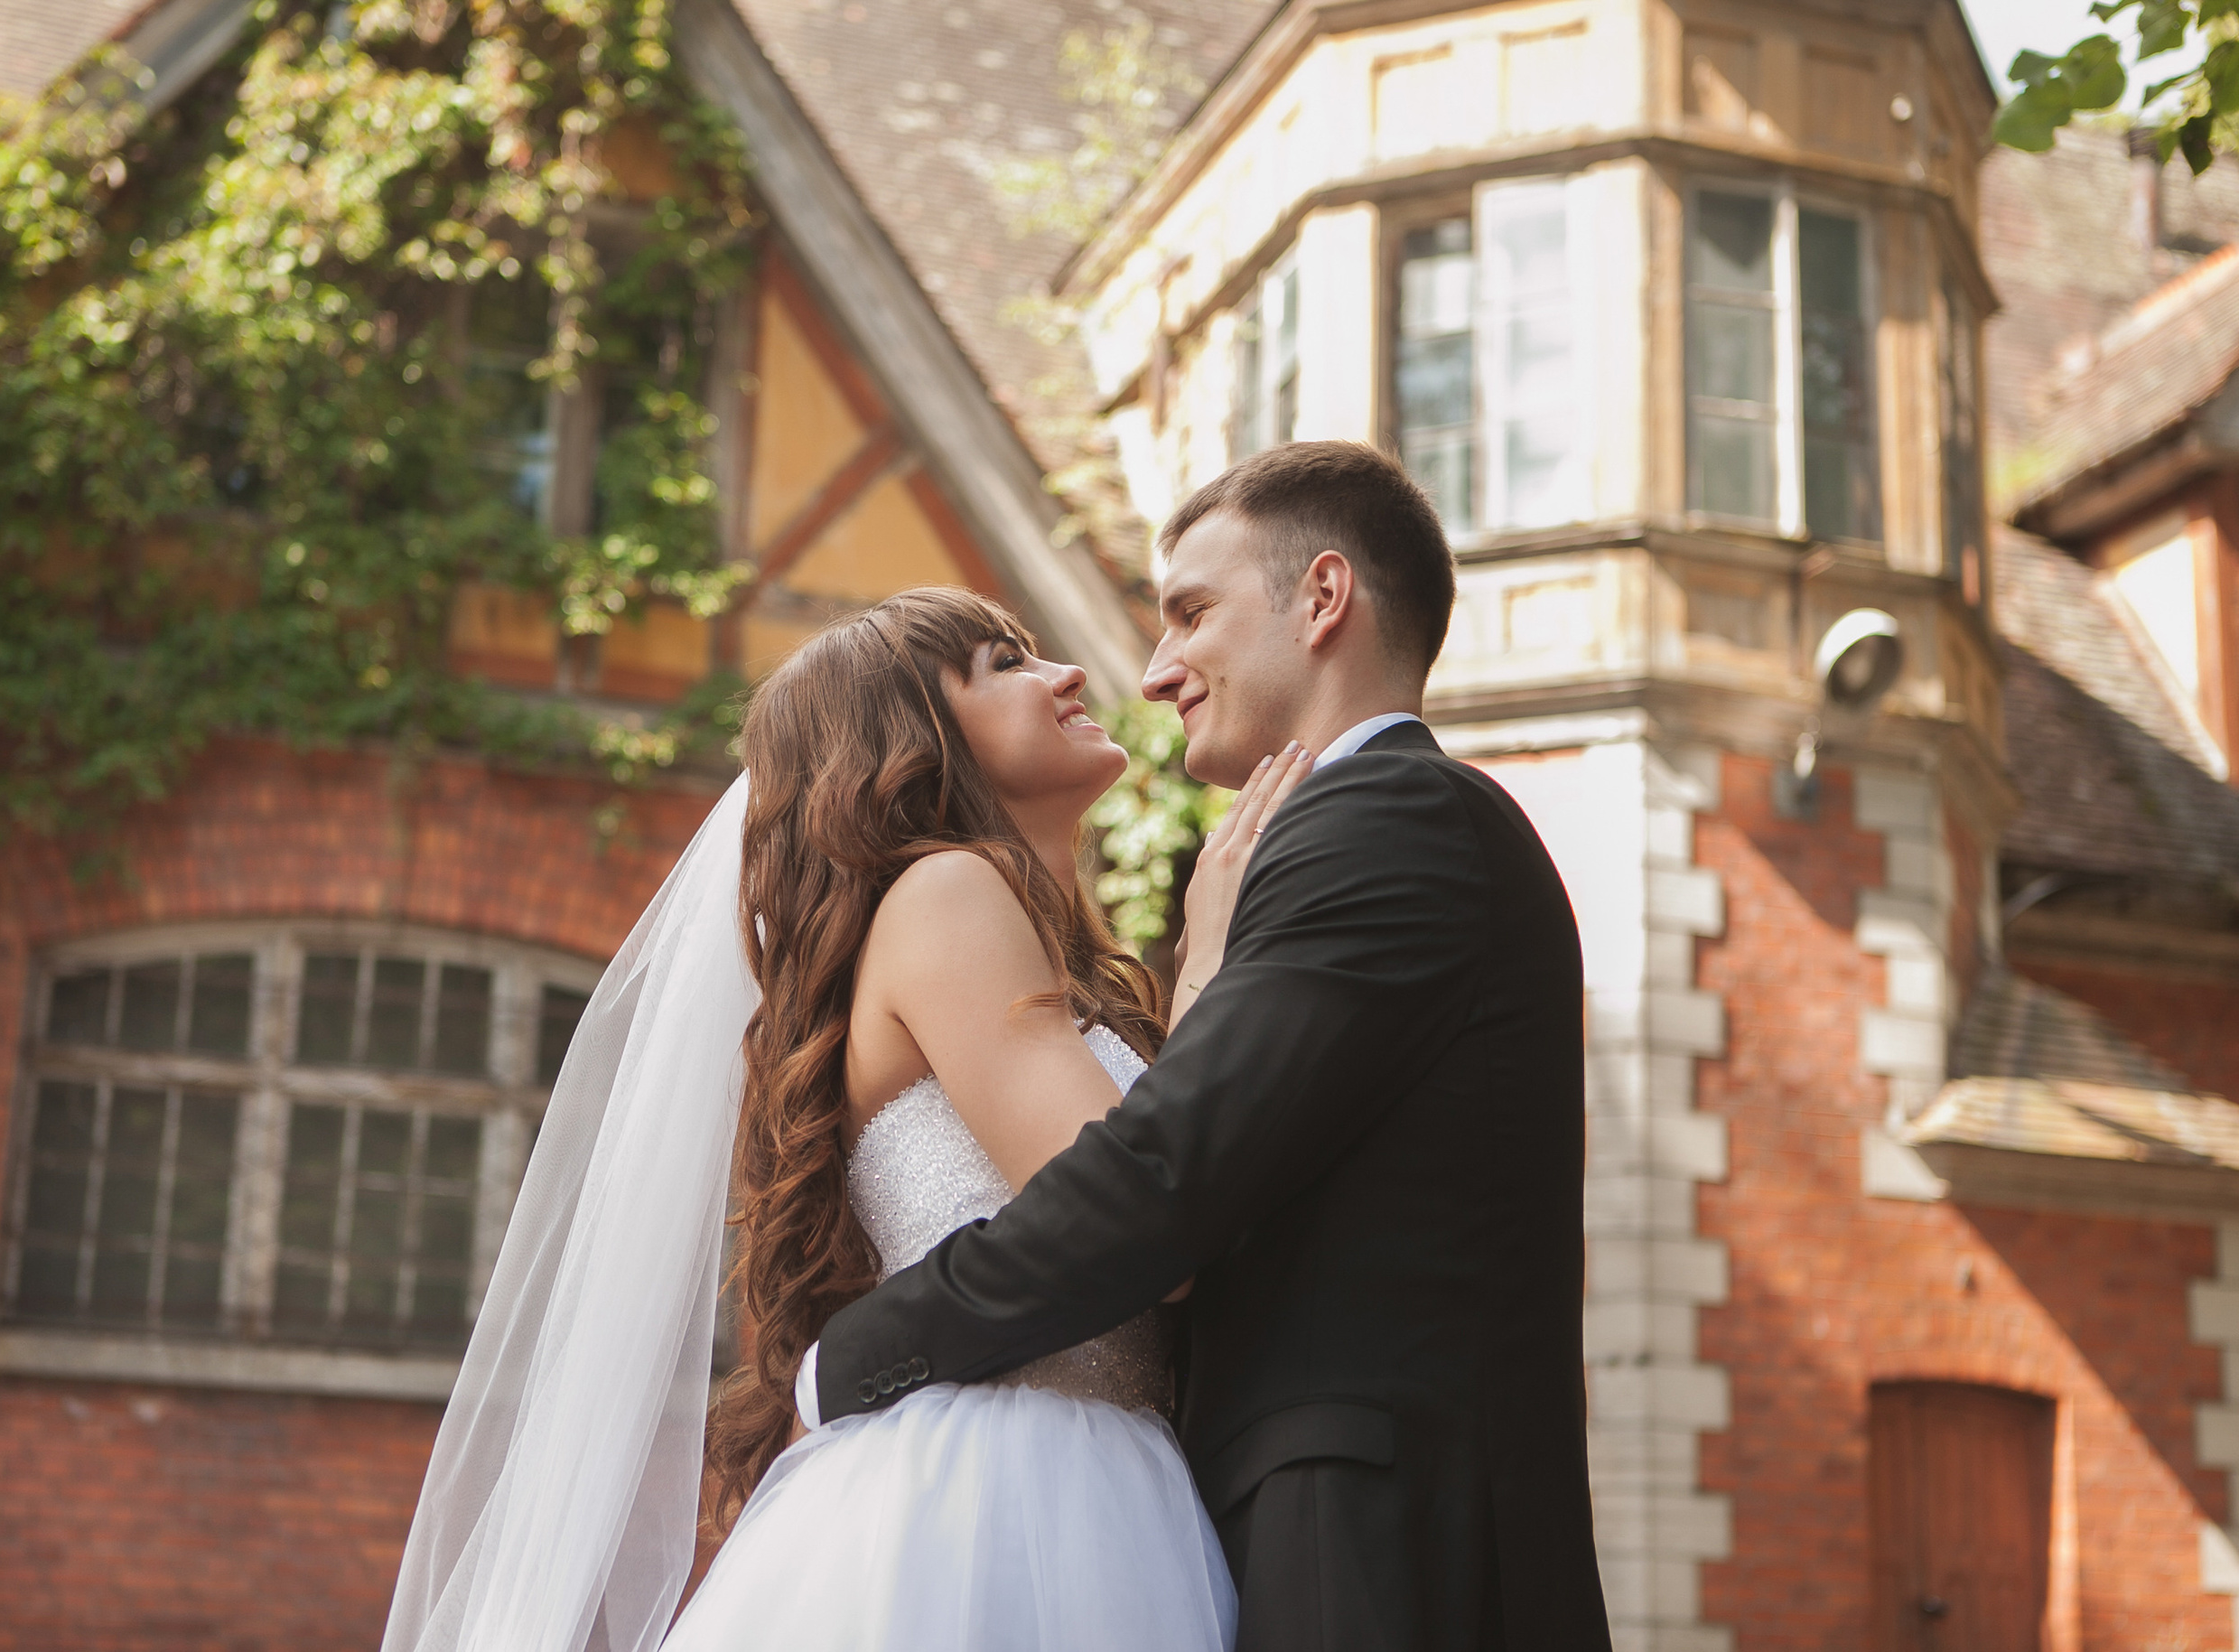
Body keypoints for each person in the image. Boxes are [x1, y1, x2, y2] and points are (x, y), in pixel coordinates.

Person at [381, 584, 1306, 1652]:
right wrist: (1211, 972)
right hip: (1012, 1494)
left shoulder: (1006, 933)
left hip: (1087, 1466)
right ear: (910, 739)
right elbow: (1142, 1222)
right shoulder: (949, 890)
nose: (1067, 675)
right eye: (1001, 664)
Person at [799, 442, 1614, 1649]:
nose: (1153, 669)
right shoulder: (1350, 831)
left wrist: (852, 1359)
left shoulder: (1390, 820)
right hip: (1148, 1512)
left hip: (1374, 1541)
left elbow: (1159, 1181)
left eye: (1191, 613)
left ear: (1323, 598)